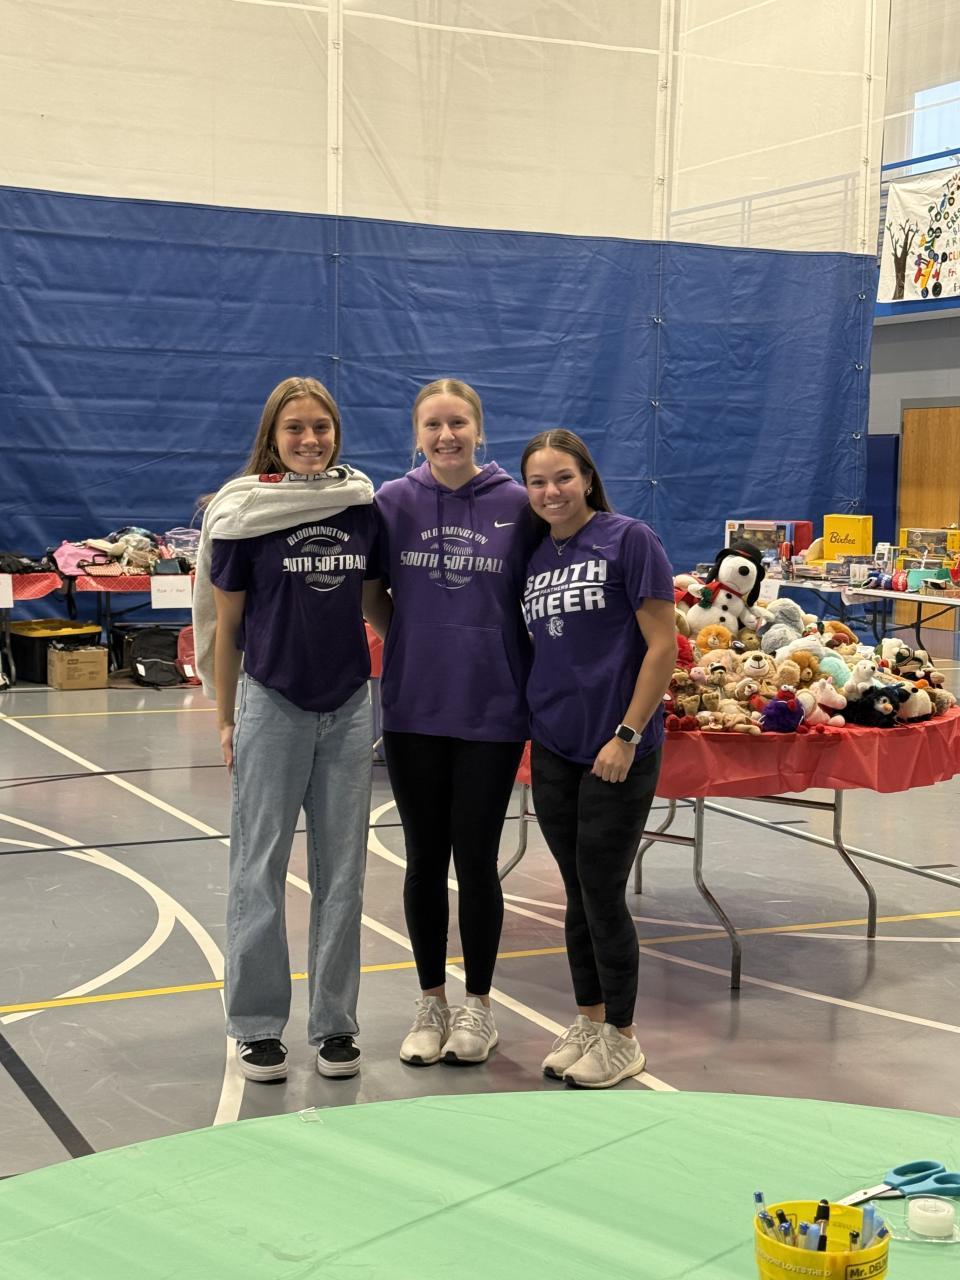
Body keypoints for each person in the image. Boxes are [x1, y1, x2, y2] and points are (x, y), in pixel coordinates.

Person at [192, 376, 379, 1083]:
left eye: (321, 427)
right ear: (272, 436)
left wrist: (440, 653)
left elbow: (375, 602)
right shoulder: (244, 514)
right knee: (259, 870)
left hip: (349, 706)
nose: (310, 440)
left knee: (344, 874)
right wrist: (225, 716)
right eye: (295, 428)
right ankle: (257, 1025)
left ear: (337, 434)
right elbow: (226, 627)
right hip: (271, 705)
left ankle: (335, 1024)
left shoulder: (359, 505)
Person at [365, 378, 532, 1066]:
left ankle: (479, 1007)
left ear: (479, 430)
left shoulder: (517, 505)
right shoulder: (392, 501)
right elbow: (373, 594)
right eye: (432, 424)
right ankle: (430, 1002)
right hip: (414, 709)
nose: (446, 436)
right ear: (417, 435)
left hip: (493, 709)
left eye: (458, 422)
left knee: (477, 860)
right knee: (424, 860)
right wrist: (415, 643)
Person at [519, 429, 676, 1088]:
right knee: (577, 891)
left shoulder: (629, 539)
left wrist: (628, 734)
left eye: (563, 477)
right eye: (537, 482)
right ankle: (590, 1020)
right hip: (555, 745)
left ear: (586, 477)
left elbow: (663, 645)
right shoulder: (533, 555)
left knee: (604, 894)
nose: (551, 491)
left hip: (617, 749)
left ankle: (623, 1037)